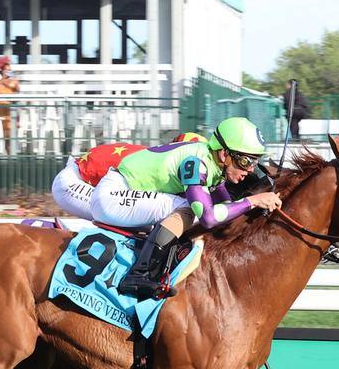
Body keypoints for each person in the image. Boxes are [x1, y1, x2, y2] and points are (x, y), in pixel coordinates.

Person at [90, 117, 281, 299]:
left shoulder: (212, 162)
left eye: (254, 162)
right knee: (187, 208)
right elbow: (208, 217)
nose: (249, 170)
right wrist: (254, 201)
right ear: (224, 154)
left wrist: (251, 201)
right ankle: (138, 275)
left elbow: (226, 206)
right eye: (246, 161)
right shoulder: (196, 163)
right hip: (112, 195)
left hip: (124, 192)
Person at [51, 133, 205, 220]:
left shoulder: (166, 159)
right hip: (72, 182)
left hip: (79, 176)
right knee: (140, 218)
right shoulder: (164, 167)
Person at [0, 55, 20, 149]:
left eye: (9, 69)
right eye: (6, 70)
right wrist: (4, 79)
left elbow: (17, 89)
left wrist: (13, 79)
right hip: (0, 108)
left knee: (9, 130)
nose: (8, 71)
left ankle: (9, 151)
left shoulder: (13, 81)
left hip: (9, 109)